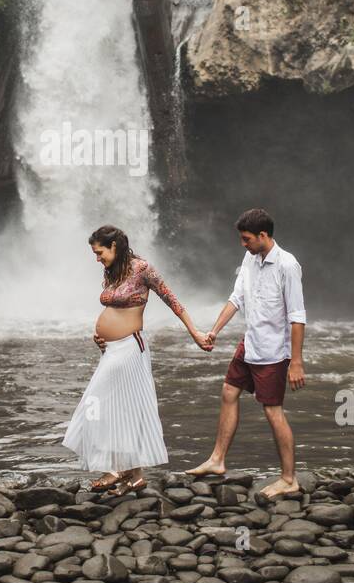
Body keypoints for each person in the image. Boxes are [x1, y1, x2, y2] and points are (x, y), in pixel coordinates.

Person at [62, 225, 213, 496]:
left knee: (98, 404)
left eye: (99, 252)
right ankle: (133, 476)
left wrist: (196, 333)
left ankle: (117, 469)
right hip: (112, 349)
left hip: (131, 348)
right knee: (118, 408)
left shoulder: (142, 268)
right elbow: (112, 309)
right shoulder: (111, 271)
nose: (97, 258)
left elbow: (172, 300)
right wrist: (100, 338)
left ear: (115, 246)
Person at [187, 208, 306, 500]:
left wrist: (296, 362)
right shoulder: (250, 257)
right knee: (228, 391)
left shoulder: (287, 265)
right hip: (249, 342)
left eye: (247, 239)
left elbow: (298, 316)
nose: (243, 243)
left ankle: (289, 479)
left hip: (273, 352)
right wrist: (214, 331)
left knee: (272, 410)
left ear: (263, 236)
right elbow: (236, 298)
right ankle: (217, 459)